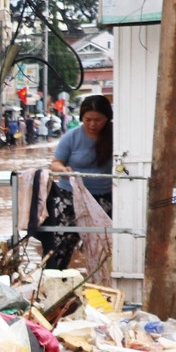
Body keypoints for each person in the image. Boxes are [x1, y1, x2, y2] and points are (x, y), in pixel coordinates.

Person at [37, 95, 114, 270]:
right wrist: (64, 170)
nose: (93, 124)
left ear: (107, 118)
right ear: (81, 118)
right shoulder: (71, 137)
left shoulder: (116, 136)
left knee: (104, 245)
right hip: (69, 197)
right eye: (88, 120)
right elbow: (56, 163)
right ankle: (53, 281)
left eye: (98, 120)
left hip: (104, 200)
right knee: (60, 244)